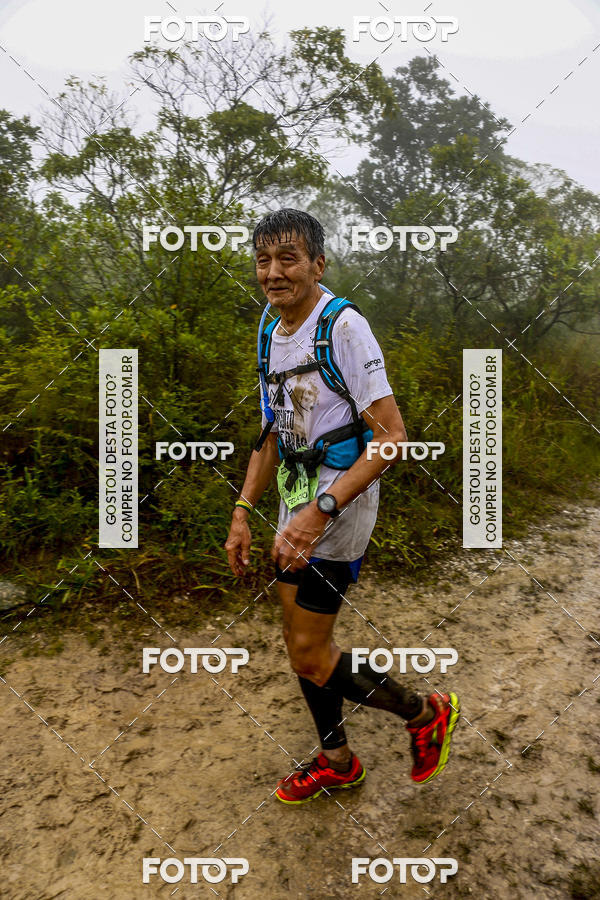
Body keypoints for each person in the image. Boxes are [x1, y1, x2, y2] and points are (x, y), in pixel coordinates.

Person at [224, 209, 459, 804]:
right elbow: (273, 432)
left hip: (337, 505)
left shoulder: (343, 327)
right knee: (302, 644)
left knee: (308, 651)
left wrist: (320, 511)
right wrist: (243, 510)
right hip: (293, 501)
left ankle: (424, 712)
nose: (273, 273)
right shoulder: (268, 328)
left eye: (288, 259)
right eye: (263, 260)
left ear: (317, 264)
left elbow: (391, 436)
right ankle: (337, 760)